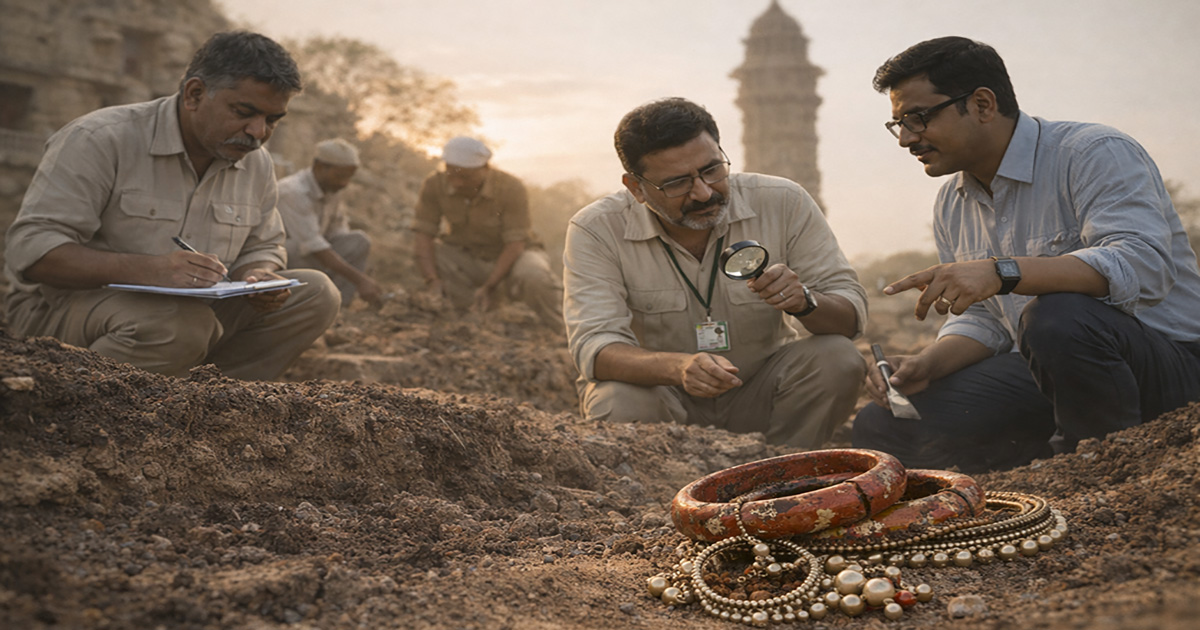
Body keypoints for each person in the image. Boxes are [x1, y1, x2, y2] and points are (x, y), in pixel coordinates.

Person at [854, 36, 1200, 472]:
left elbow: (1143, 266)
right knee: (882, 427)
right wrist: (928, 365)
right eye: (898, 124)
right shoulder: (952, 202)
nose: (906, 139)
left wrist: (1003, 272)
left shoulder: (1091, 153)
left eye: (919, 118)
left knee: (1057, 317)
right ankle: (1044, 462)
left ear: (982, 104)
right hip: (1050, 373)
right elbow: (986, 320)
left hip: (1161, 368)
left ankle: (1103, 468)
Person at [3, 31, 340, 381]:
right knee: (178, 325)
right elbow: (32, 251)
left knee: (317, 294)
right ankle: (85, 397)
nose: (258, 131)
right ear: (194, 94)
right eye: (244, 112)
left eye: (272, 120)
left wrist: (257, 276)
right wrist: (149, 269)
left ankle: (210, 396)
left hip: (189, 318)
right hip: (62, 310)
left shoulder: (256, 162)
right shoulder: (101, 138)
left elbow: (263, 247)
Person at [563, 98, 867, 449]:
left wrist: (805, 302)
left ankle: (785, 467)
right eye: (676, 183)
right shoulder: (596, 229)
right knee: (616, 398)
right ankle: (665, 480)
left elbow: (850, 317)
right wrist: (679, 368)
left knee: (837, 358)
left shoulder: (783, 201)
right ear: (636, 188)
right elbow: (595, 348)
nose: (703, 192)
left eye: (712, 170)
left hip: (762, 394)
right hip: (666, 401)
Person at [412, 136, 563, 328]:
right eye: (451, 174)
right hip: (468, 254)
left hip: (516, 254)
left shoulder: (511, 187)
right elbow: (423, 235)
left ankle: (560, 329)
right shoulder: (434, 184)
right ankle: (466, 316)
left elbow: (515, 244)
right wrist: (432, 281)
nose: (457, 183)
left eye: (465, 177)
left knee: (535, 276)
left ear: (485, 169)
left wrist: (490, 286)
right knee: (431, 255)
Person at [277, 138, 382, 307]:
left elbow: (338, 233)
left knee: (359, 241)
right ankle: (303, 301)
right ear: (319, 166)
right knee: (297, 248)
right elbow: (314, 246)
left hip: (312, 256)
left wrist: (355, 270)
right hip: (284, 260)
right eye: (340, 176)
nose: (344, 183)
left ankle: (339, 304)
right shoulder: (293, 191)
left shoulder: (331, 189)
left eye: (349, 177)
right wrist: (360, 279)